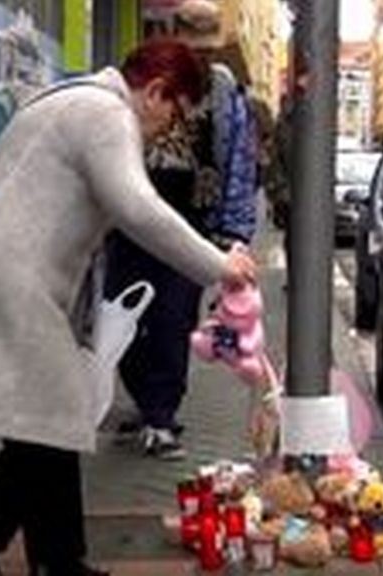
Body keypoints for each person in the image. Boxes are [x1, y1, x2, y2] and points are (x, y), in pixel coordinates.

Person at [0, 40, 257, 576]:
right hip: (9, 271)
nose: (168, 129)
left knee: (49, 418)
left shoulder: (78, 100)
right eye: (174, 114)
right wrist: (219, 266)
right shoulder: (106, 113)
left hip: (4, 266)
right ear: (156, 91)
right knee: (53, 414)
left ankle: (54, 558)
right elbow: (138, 208)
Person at [105, 59, 259, 460]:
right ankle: (146, 403)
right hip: (129, 219)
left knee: (172, 319)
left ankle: (161, 415)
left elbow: (238, 164)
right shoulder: (144, 79)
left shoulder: (222, 90)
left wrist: (234, 235)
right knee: (123, 314)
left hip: (189, 221)